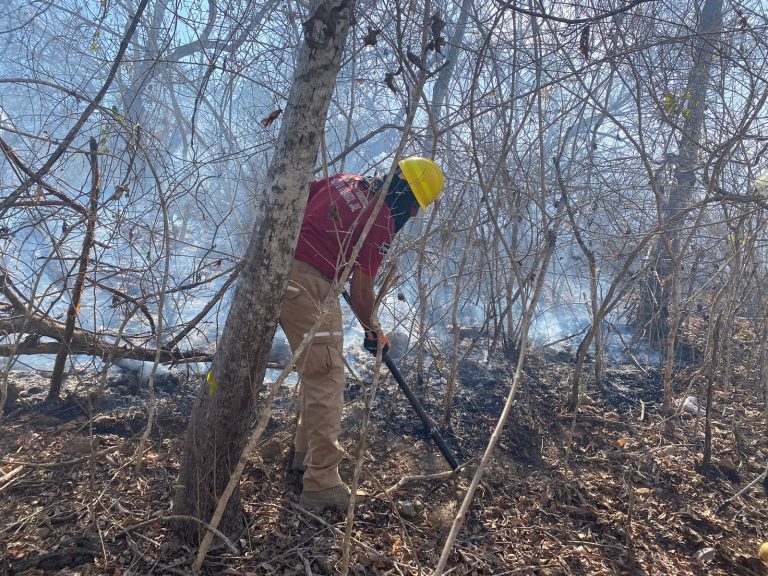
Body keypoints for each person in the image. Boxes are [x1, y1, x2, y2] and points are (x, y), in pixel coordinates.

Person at [279, 156, 443, 512]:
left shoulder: (345, 180)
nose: (414, 216)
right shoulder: (381, 217)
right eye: (416, 206)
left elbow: (298, 201)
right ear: (406, 194)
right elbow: (362, 290)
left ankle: (304, 457)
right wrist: (374, 330)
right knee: (327, 379)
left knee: (316, 373)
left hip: (281, 273)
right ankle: (321, 484)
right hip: (310, 287)